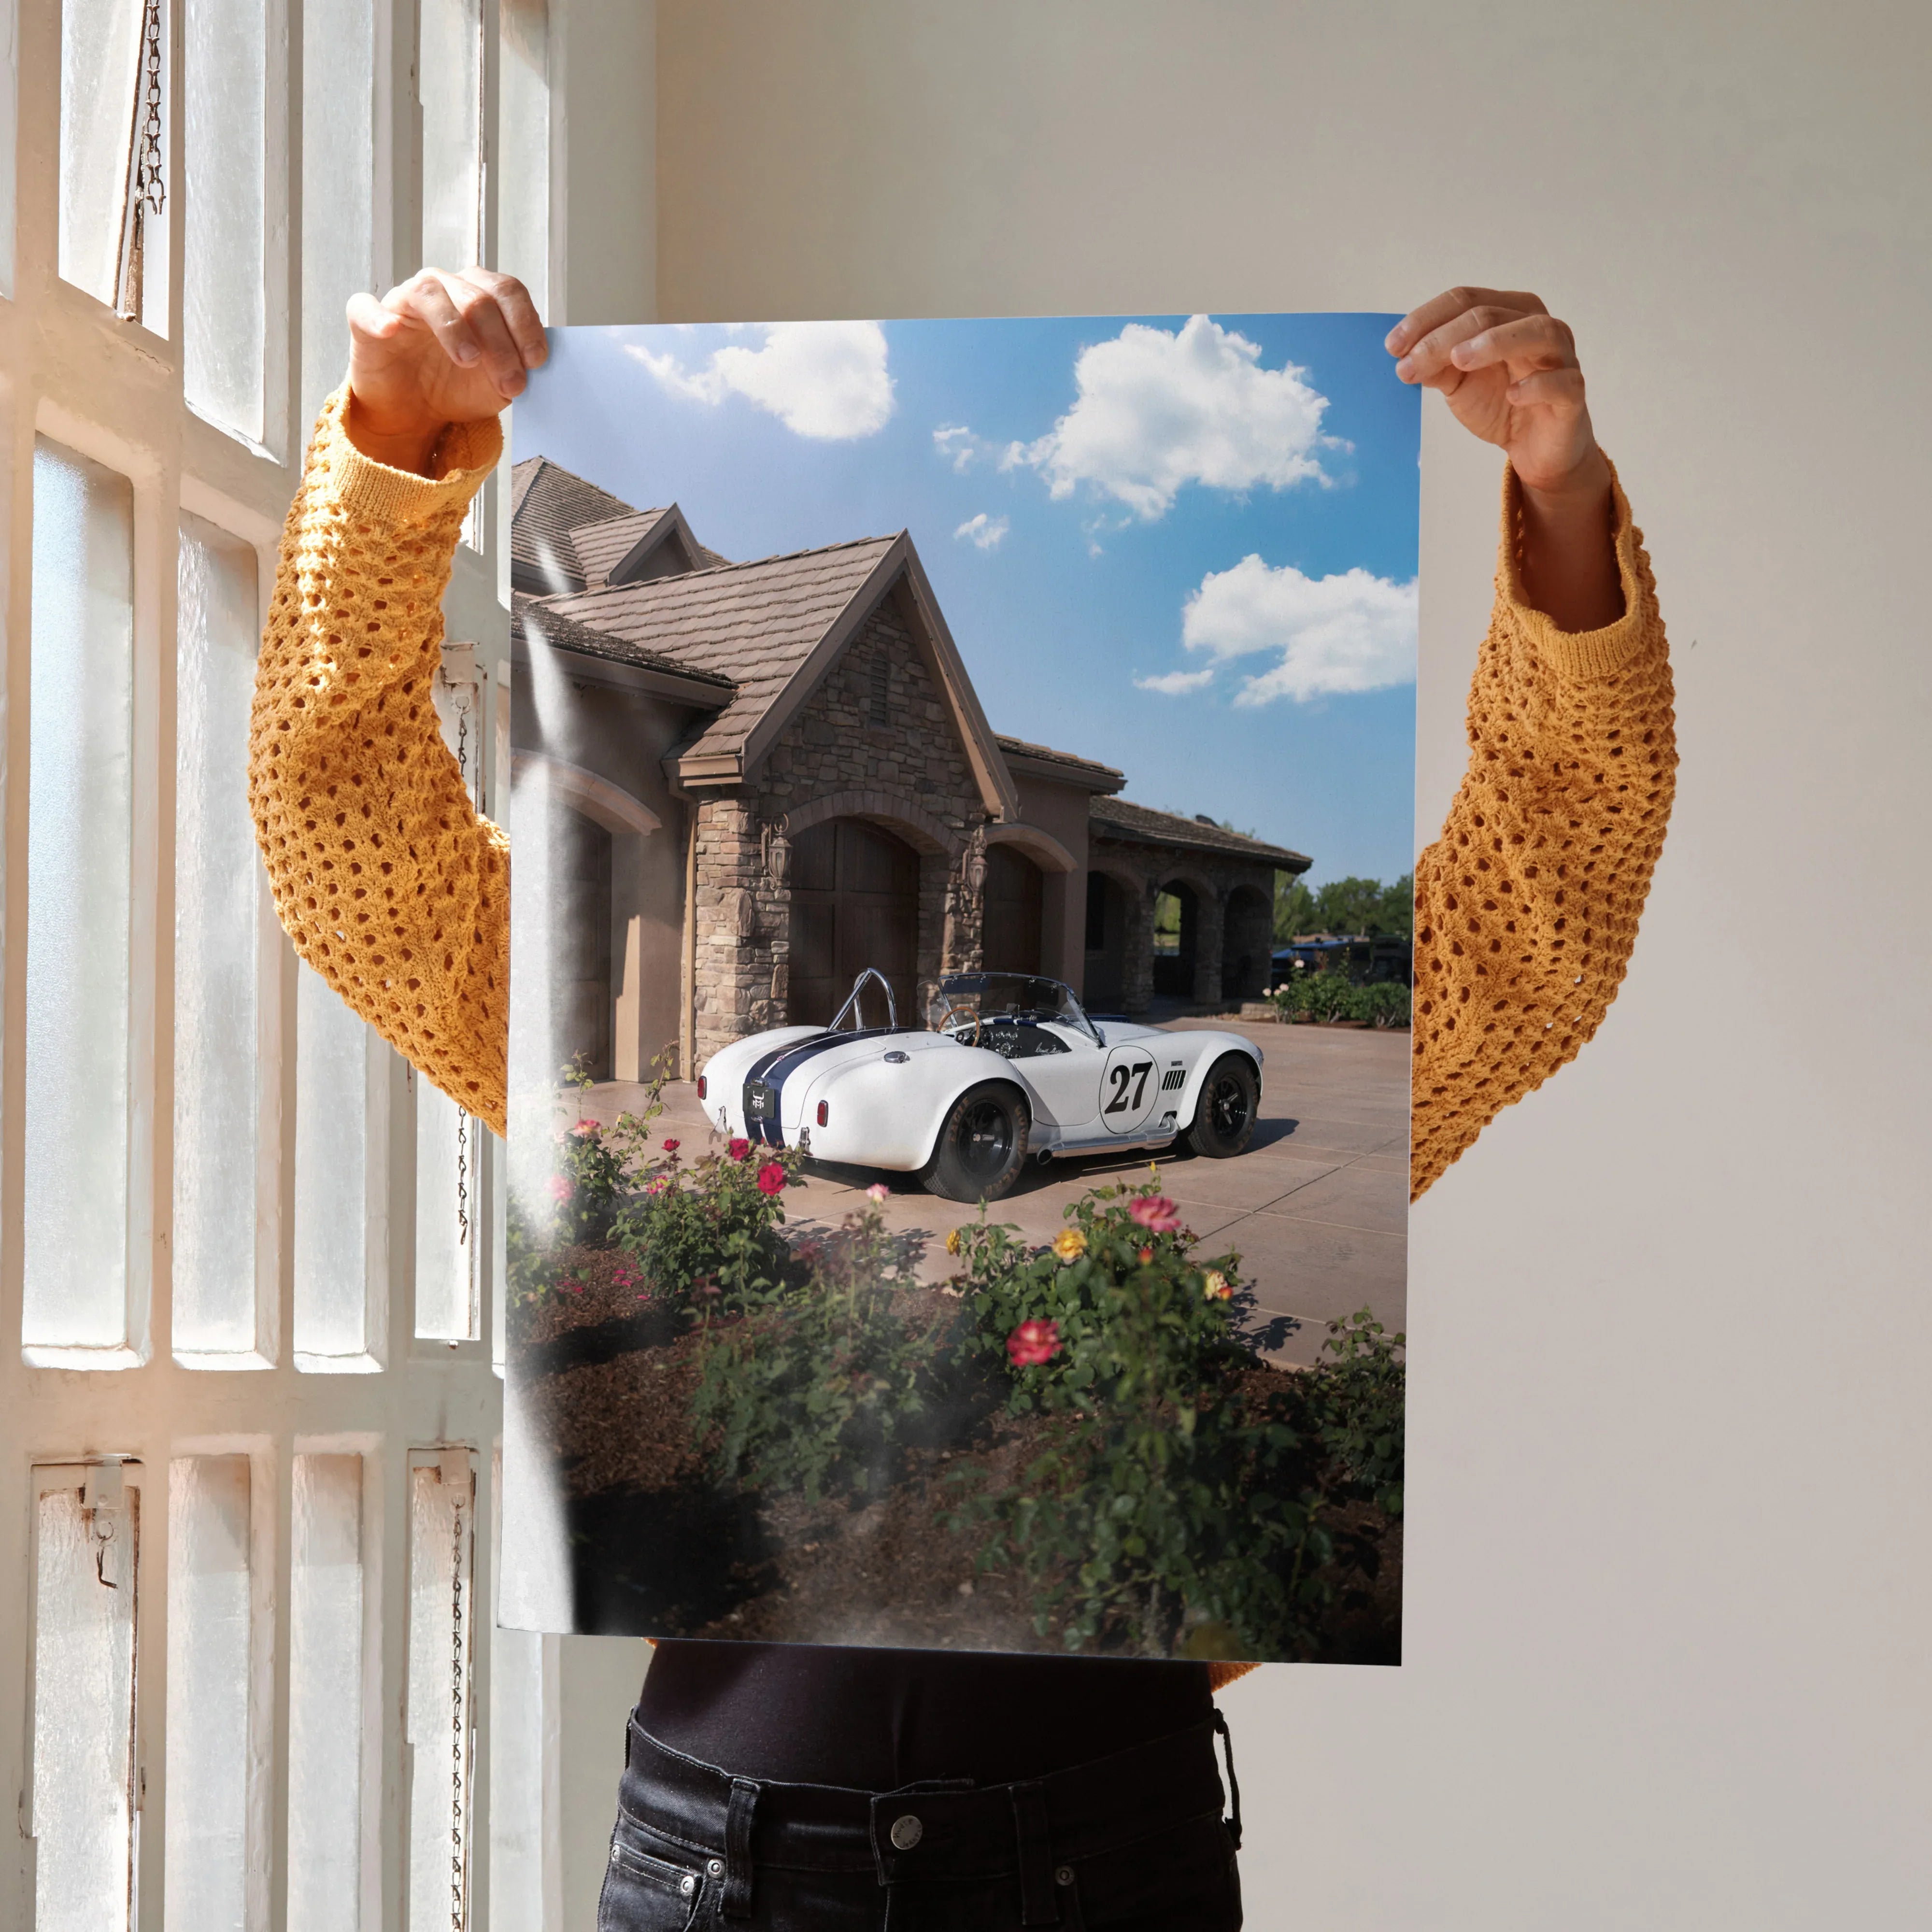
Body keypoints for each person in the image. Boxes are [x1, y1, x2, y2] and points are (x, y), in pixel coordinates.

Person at [249, 271, 1675, 1929]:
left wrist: (1560, 501)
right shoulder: (593, 1065)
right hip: (728, 1862)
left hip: (1104, 1848)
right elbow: (345, 834)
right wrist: (393, 446)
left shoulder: (1143, 1064)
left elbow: (1540, 922)